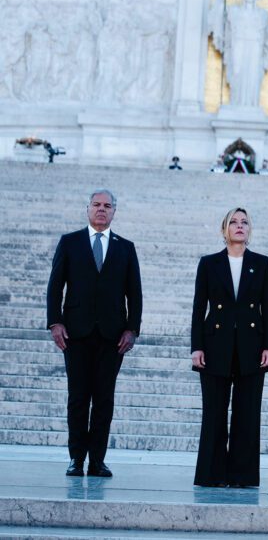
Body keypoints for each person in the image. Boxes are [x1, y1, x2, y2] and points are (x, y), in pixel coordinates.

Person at [47, 190, 142, 478]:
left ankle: (97, 460)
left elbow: (134, 293)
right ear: (87, 208)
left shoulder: (126, 247)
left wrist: (132, 329)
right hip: (75, 333)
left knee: (104, 399)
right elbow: (55, 286)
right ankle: (76, 458)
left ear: (114, 211)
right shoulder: (70, 242)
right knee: (77, 398)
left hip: (113, 337)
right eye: (97, 205)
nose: (102, 210)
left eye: (107, 206)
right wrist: (55, 322)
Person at [190, 208, 268, 487]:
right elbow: (198, 308)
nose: (239, 226)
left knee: (247, 413)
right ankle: (212, 474)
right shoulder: (209, 263)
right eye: (234, 222)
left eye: (245, 222)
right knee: (213, 411)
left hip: (252, 347)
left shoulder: (262, 263)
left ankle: (242, 475)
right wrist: (196, 346)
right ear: (224, 229)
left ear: (250, 230)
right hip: (215, 345)